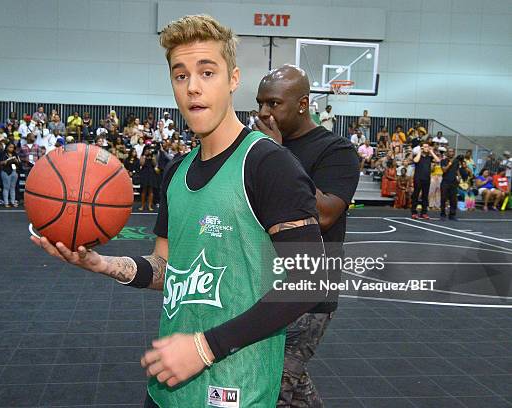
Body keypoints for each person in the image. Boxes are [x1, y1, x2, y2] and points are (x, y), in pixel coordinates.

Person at [32, 16, 325, 408]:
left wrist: (205, 348)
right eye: (181, 75)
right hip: (168, 387)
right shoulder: (176, 172)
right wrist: (101, 264)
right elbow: (167, 268)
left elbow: (311, 279)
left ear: (233, 79)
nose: (193, 88)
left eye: (207, 72)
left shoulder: (269, 164)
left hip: (237, 392)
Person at [255, 64, 359, 407]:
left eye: (273, 103)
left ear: (302, 103)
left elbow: (325, 214)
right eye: (260, 103)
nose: (263, 112)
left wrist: (278, 155)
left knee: (274, 385)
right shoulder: (261, 147)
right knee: (288, 384)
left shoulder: (336, 150)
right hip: (264, 284)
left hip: (308, 292)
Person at [411, 142, 440, 219]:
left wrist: (431, 151)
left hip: (426, 178)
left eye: (427, 147)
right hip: (418, 178)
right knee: (416, 195)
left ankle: (424, 213)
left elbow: (438, 160)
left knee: (425, 196)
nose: (426, 148)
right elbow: (416, 161)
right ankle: (414, 212)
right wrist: (420, 151)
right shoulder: (417, 155)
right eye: (424, 147)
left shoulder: (430, 157)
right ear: (421, 148)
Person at [440, 148, 460, 220]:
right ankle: (443, 214)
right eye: (449, 151)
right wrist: (449, 164)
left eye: (452, 152)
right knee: (443, 198)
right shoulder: (443, 161)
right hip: (445, 182)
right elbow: (444, 170)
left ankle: (452, 215)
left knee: (453, 199)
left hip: (453, 182)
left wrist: (459, 177)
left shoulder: (457, 161)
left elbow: (457, 169)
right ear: (447, 153)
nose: (451, 153)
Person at [0, 143, 20, 207]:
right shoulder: (3, 154)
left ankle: (12, 202)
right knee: (6, 187)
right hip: (6, 171)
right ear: (7, 147)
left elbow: (19, 162)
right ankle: (6, 202)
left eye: (12, 147)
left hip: (14, 171)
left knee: (13, 187)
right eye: (10, 147)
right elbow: (0, 162)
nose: (11, 149)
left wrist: (16, 160)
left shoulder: (15, 154)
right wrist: (7, 161)